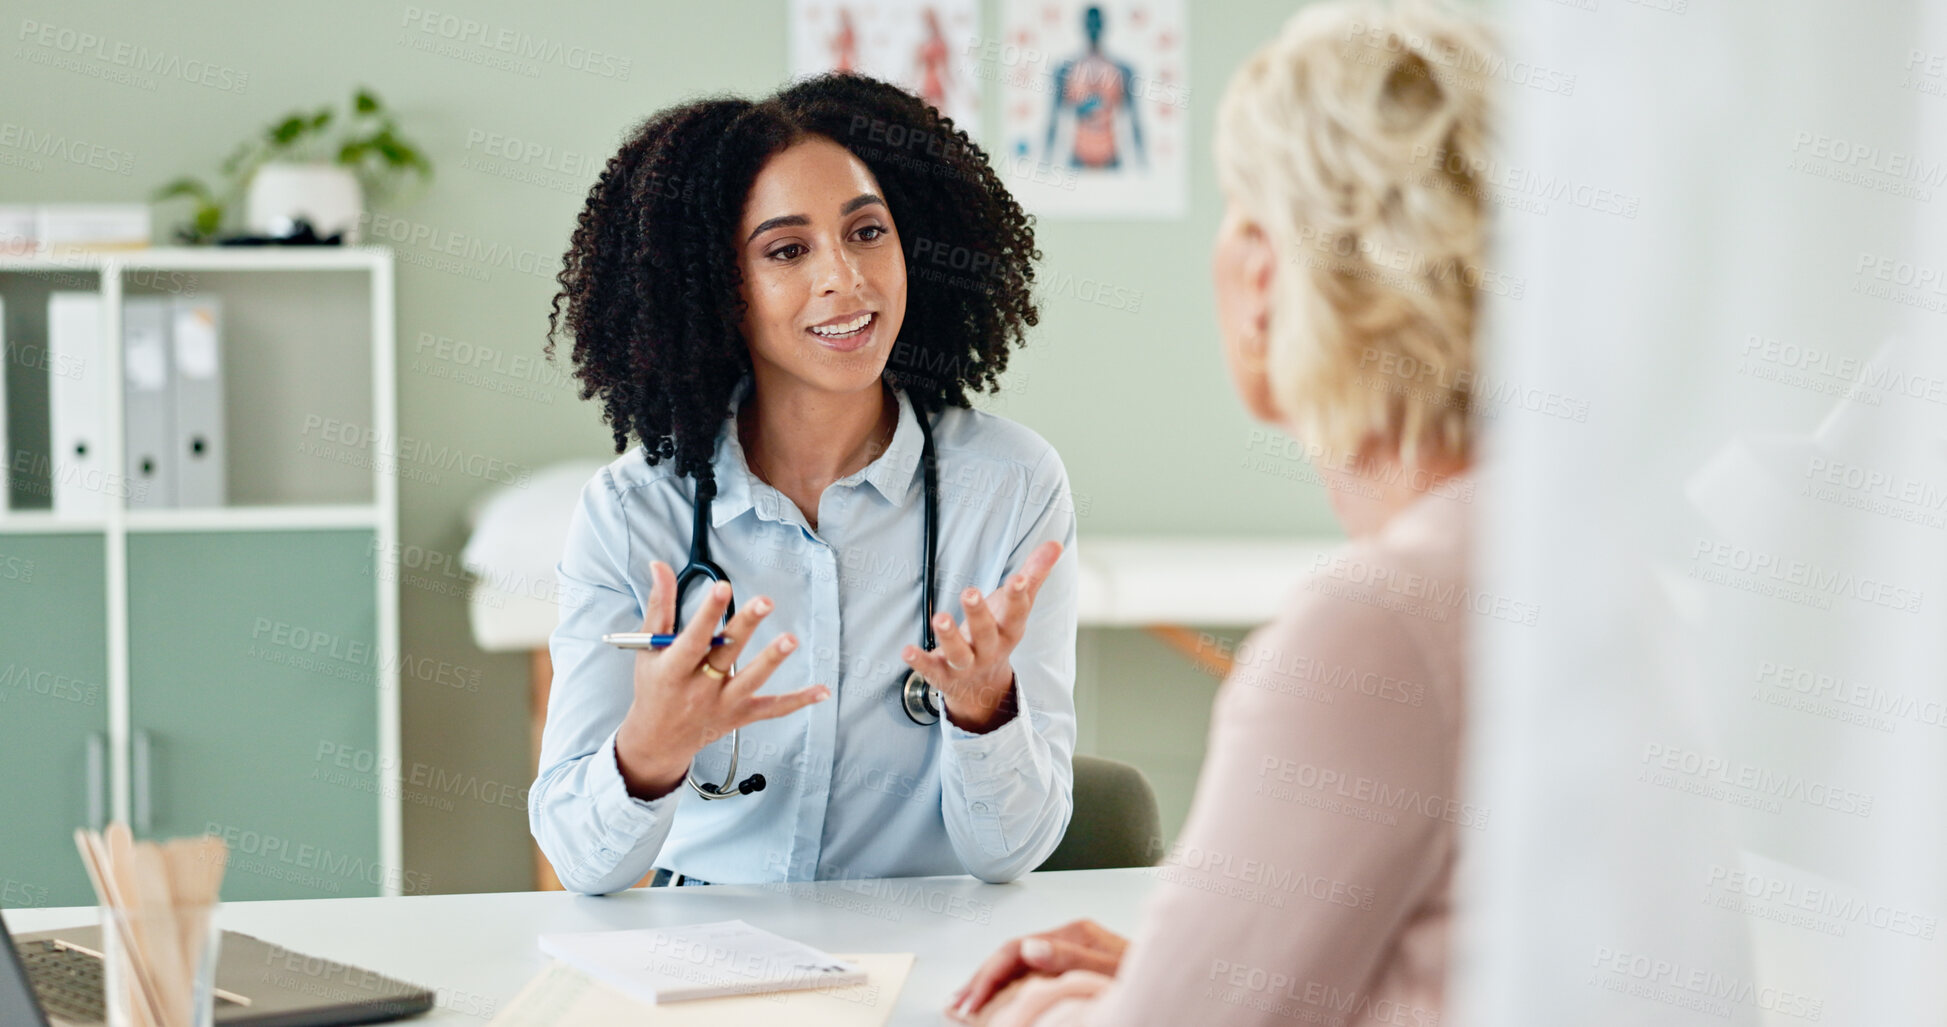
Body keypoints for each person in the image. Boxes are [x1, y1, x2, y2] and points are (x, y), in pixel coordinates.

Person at [949, 2, 1494, 1022]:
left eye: (1242, 210)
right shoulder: (1572, 564)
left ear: (1262, 278)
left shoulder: (1375, 631)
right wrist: (1178, 977)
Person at [531, 73, 1079, 894]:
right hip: (710, 957)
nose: (845, 278)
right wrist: (650, 744)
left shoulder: (1007, 485)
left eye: (866, 232)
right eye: (788, 250)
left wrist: (982, 706)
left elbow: (1009, 853)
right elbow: (583, 864)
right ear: (719, 288)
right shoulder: (633, 511)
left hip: (928, 954)